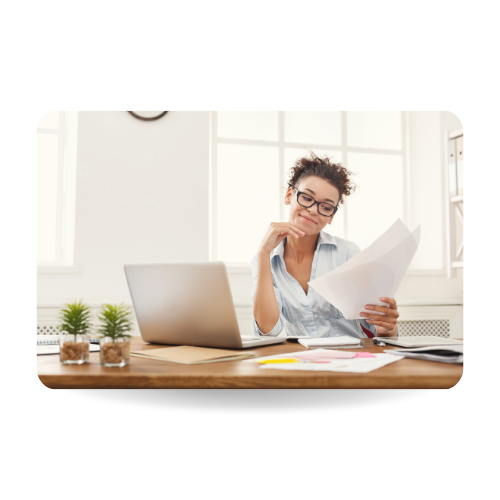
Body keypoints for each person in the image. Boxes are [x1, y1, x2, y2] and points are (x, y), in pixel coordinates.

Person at [252, 152, 399, 339]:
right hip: (301, 362)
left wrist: (387, 327)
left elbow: (379, 329)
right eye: (306, 197)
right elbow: (267, 330)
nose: (313, 210)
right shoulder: (264, 259)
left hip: (351, 360)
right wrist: (264, 252)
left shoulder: (348, 254)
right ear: (289, 195)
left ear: (331, 216)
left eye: (326, 207)